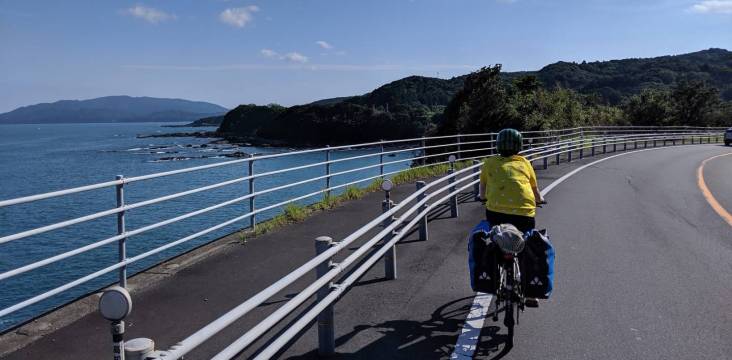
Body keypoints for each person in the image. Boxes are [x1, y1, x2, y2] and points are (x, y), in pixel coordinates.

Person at [478, 128, 545, 234]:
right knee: (527, 239)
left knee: (495, 237)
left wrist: (482, 198)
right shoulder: (525, 163)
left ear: (498, 144)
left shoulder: (489, 163)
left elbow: (483, 185)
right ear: (519, 145)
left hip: (495, 213)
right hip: (524, 214)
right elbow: (534, 188)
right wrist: (539, 199)